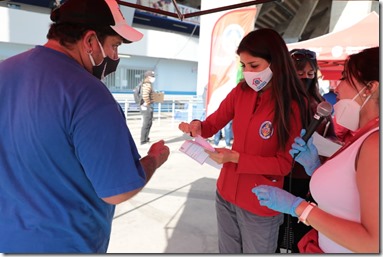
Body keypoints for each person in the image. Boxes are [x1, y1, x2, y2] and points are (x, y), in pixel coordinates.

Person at [0, 0, 170, 253]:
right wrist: (155, 159)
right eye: (114, 46)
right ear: (90, 40)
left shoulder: (5, 71)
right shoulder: (88, 93)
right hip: (68, 243)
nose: (114, 57)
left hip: (10, 239)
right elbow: (118, 191)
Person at [178, 28, 310, 253]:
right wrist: (197, 127)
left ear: (275, 63)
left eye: (254, 65)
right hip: (226, 194)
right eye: (244, 66)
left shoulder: (293, 106)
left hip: (262, 202)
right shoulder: (240, 92)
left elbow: (283, 164)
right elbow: (211, 125)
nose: (248, 72)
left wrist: (237, 157)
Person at [252, 46, 379, 253]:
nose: (336, 88)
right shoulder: (363, 136)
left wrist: (298, 207)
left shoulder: (375, 144)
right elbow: (348, 191)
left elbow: (373, 243)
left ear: (370, 88)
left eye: (345, 78)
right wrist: (315, 167)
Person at [275, 48, 337, 253]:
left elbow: (332, 135)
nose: (305, 79)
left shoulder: (320, 103)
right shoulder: (279, 102)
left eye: (310, 75)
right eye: (300, 74)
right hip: (283, 174)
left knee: (303, 231)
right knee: (279, 230)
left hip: (311, 176)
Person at [140, 70, 156, 145]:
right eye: (152, 76)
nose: (154, 78)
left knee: (149, 123)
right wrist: (148, 103)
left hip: (147, 106)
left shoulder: (147, 84)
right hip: (147, 106)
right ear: (148, 77)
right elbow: (145, 95)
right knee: (147, 123)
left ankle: (146, 138)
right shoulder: (147, 84)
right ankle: (143, 140)